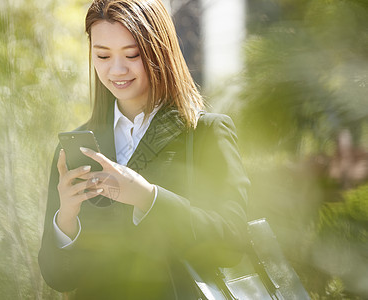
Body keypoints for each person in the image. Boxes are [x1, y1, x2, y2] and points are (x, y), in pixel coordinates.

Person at [38, 0, 250, 299]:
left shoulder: (205, 133)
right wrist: (67, 218)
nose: (117, 69)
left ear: (159, 51)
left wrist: (148, 197)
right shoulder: (75, 146)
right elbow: (58, 278)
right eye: (102, 55)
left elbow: (232, 243)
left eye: (132, 54)